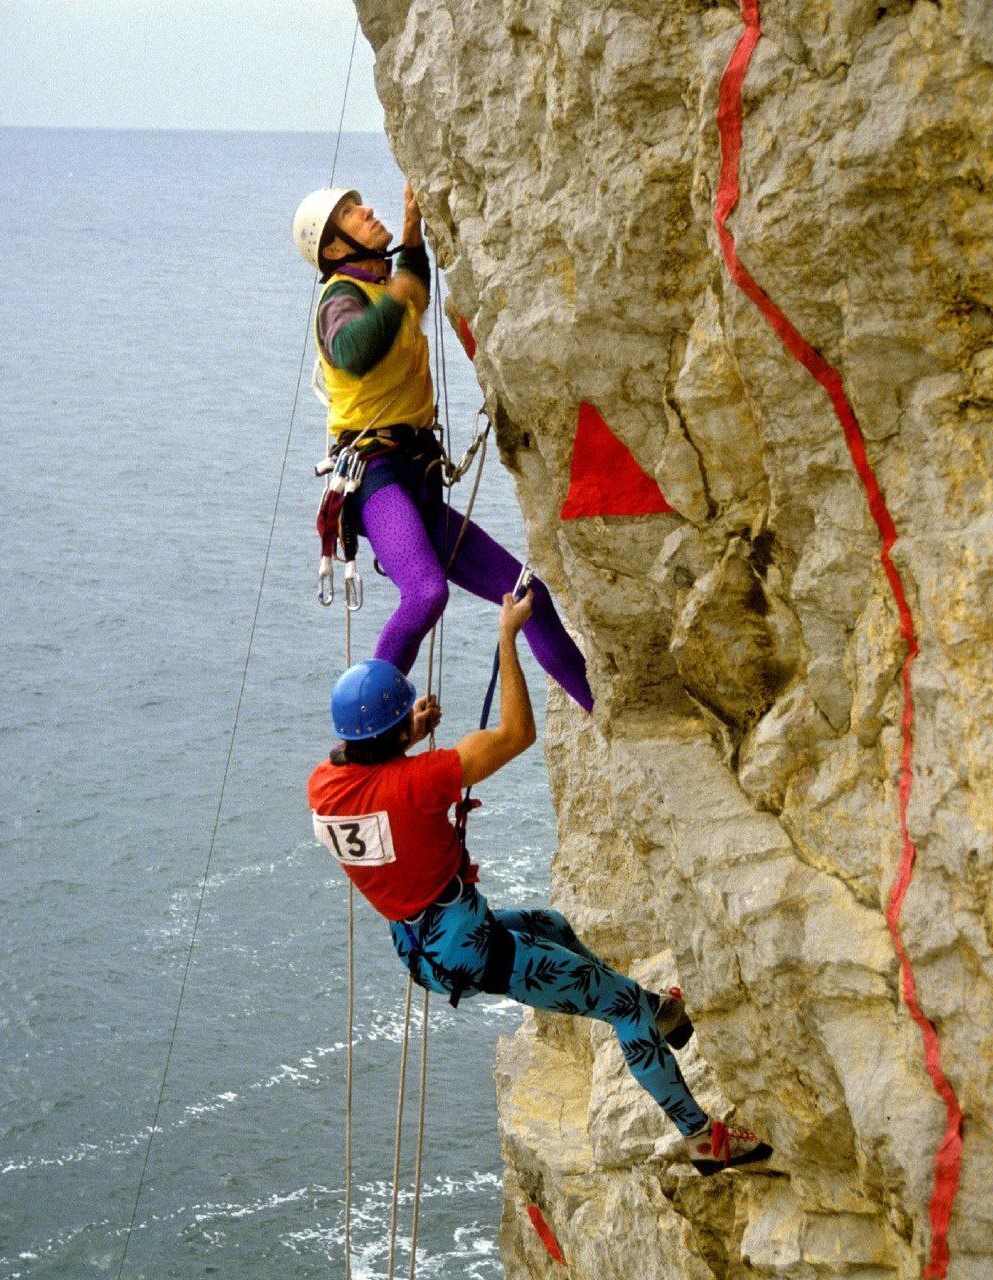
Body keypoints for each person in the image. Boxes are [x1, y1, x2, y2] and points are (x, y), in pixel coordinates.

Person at [308, 590, 773, 1175]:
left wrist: (405, 734)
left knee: (551, 925)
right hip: (473, 951)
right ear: (396, 734)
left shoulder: (323, 787)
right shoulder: (420, 782)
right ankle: (701, 1135)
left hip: (424, 946)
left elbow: (368, 773)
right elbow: (515, 734)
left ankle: (663, 1013)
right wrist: (508, 637)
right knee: (622, 1008)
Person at [292, 184, 593, 713]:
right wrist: (399, 291)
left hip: (415, 480)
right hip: (376, 478)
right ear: (335, 248)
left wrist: (411, 235)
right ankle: (367, 734)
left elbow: (416, 289)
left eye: (359, 205)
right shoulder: (339, 297)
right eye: (349, 213)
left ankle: (603, 706)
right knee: (426, 593)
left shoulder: (384, 287)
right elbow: (353, 349)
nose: (365, 210)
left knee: (529, 596)